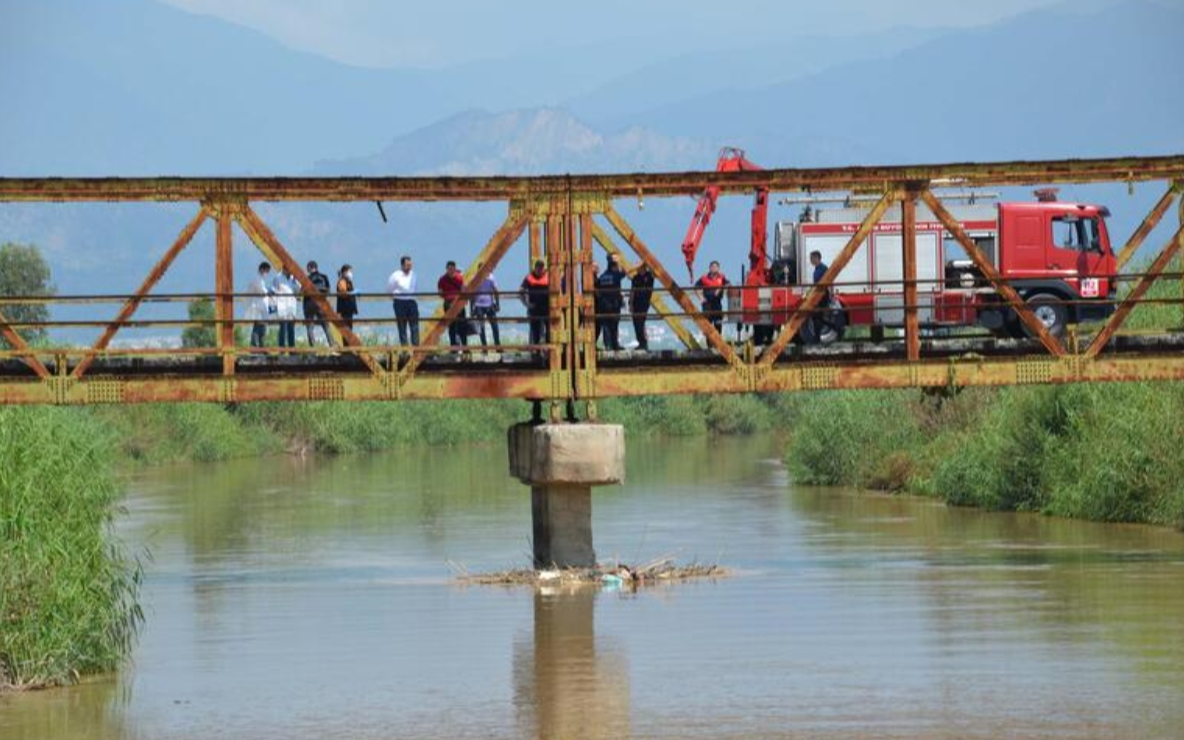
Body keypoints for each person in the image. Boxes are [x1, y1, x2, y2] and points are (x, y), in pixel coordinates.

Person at [595, 256, 626, 350]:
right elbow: (624, 272)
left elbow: (598, 288)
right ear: (614, 266)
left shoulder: (603, 276)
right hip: (614, 304)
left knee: (606, 326)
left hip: (603, 304)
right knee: (614, 326)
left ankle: (608, 345)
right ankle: (615, 345)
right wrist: (619, 261)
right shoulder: (616, 275)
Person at [387, 255, 419, 346]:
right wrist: (396, 299)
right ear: (402, 265)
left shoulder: (414, 275)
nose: (409, 266)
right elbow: (389, 289)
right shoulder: (395, 275)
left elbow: (415, 288)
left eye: (410, 265)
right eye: (407, 265)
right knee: (402, 326)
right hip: (399, 302)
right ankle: (404, 349)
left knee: (414, 326)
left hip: (412, 301)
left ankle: (416, 348)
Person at [437, 260, 468, 347]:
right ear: (446, 269)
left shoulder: (459, 278)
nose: (450, 270)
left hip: (457, 303)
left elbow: (463, 289)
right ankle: (454, 345)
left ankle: (464, 346)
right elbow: (440, 292)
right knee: (452, 326)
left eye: (452, 269)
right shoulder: (442, 279)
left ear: (455, 269)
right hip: (449, 303)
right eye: (449, 269)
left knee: (461, 325)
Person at [303, 260, 334, 346]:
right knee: (325, 325)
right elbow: (328, 290)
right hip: (321, 303)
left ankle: (313, 348)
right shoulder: (324, 277)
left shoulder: (307, 279)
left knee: (309, 326)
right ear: (316, 267)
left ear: (309, 268)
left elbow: (303, 291)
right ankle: (332, 345)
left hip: (309, 303)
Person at [520, 260, 550, 347]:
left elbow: (556, 289)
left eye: (542, 268)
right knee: (535, 331)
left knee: (549, 330)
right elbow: (521, 291)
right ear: (535, 268)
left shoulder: (548, 277)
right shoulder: (529, 278)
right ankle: (536, 351)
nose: (540, 270)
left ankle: (548, 351)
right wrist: (526, 303)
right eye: (539, 268)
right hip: (534, 308)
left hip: (546, 308)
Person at [695, 260, 730, 336]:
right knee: (708, 326)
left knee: (718, 324)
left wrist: (721, 289)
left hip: (717, 303)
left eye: (716, 267)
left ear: (718, 268)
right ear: (709, 268)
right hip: (707, 304)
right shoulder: (704, 278)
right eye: (712, 267)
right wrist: (701, 297)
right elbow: (696, 287)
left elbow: (728, 284)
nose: (714, 268)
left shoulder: (721, 277)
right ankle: (710, 346)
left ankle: (718, 344)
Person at [246, 262, 273, 348]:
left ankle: (261, 346)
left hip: (261, 307)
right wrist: (268, 292)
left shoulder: (261, 279)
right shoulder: (257, 279)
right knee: (257, 328)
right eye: (266, 271)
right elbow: (261, 291)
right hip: (257, 306)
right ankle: (255, 346)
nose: (266, 274)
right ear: (262, 269)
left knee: (262, 328)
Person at [472, 266, 500, 347]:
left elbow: (496, 291)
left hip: (486, 304)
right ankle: (487, 347)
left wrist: (497, 304)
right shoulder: (478, 278)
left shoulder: (490, 277)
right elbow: (472, 294)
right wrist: (497, 304)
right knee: (484, 327)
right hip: (481, 305)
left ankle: (496, 346)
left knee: (493, 326)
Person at [629, 262, 655, 350]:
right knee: (636, 323)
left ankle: (643, 343)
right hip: (636, 302)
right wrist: (631, 304)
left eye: (639, 267)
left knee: (640, 322)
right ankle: (641, 343)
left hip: (644, 302)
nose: (637, 269)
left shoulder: (649, 276)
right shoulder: (635, 278)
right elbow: (632, 291)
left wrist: (645, 262)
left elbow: (656, 272)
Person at [272, 266, 298, 349]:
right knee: (283, 328)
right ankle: (282, 349)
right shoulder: (278, 277)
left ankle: (292, 349)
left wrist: (295, 281)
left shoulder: (293, 278)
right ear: (284, 269)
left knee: (291, 328)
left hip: (291, 306)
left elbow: (298, 289)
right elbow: (273, 290)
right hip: (282, 305)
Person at [336, 264, 358, 331]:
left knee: (349, 327)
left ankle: (347, 341)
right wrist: (352, 293)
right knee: (346, 327)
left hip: (348, 308)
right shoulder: (342, 281)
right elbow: (343, 292)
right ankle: (346, 342)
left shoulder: (348, 281)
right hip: (345, 308)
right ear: (345, 272)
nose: (351, 273)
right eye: (350, 271)